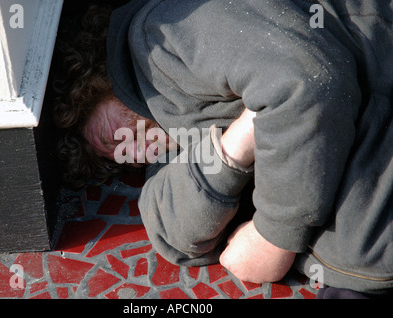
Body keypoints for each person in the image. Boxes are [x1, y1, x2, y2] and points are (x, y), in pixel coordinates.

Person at [54, 0, 393, 298]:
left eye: (109, 136)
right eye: (115, 159)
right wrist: (233, 147)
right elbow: (174, 236)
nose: (126, 152)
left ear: (89, 84)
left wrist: (273, 237)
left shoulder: (166, 29)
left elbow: (303, 83)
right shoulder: (162, 132)